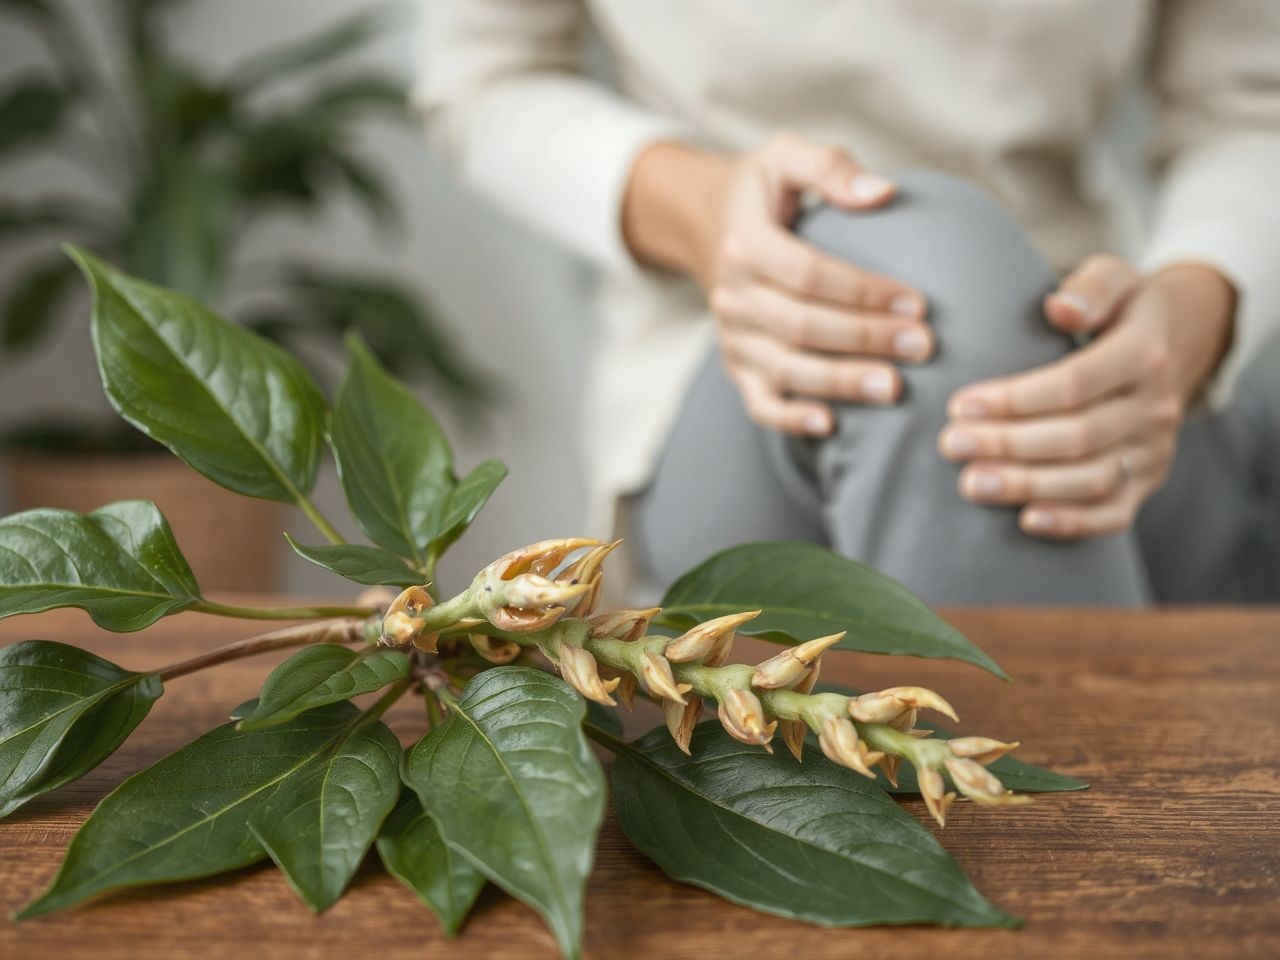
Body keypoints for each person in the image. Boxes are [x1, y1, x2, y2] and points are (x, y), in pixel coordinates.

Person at [414, 1, 1280, 604]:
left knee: (954, 293)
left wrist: (1194, 313)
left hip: (1120, 389)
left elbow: (1251, 109)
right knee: (938, 292)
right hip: (731, 371)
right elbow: (485, 78)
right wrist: (706, 213)